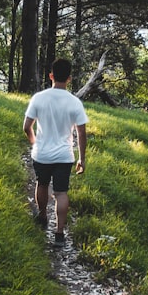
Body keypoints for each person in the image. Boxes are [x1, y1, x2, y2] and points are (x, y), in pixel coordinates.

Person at [23, 58, 88, 246]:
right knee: (61, 193)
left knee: (42, 184)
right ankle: (59, 233)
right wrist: (82, 159)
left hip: (42, 154)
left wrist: (35, 143)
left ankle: (43, 216)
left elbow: (27, 127)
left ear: (51, 75)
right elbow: (81, 132)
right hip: (64, 156)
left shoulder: (39, 98)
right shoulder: (75, 102)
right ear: (69, 78)